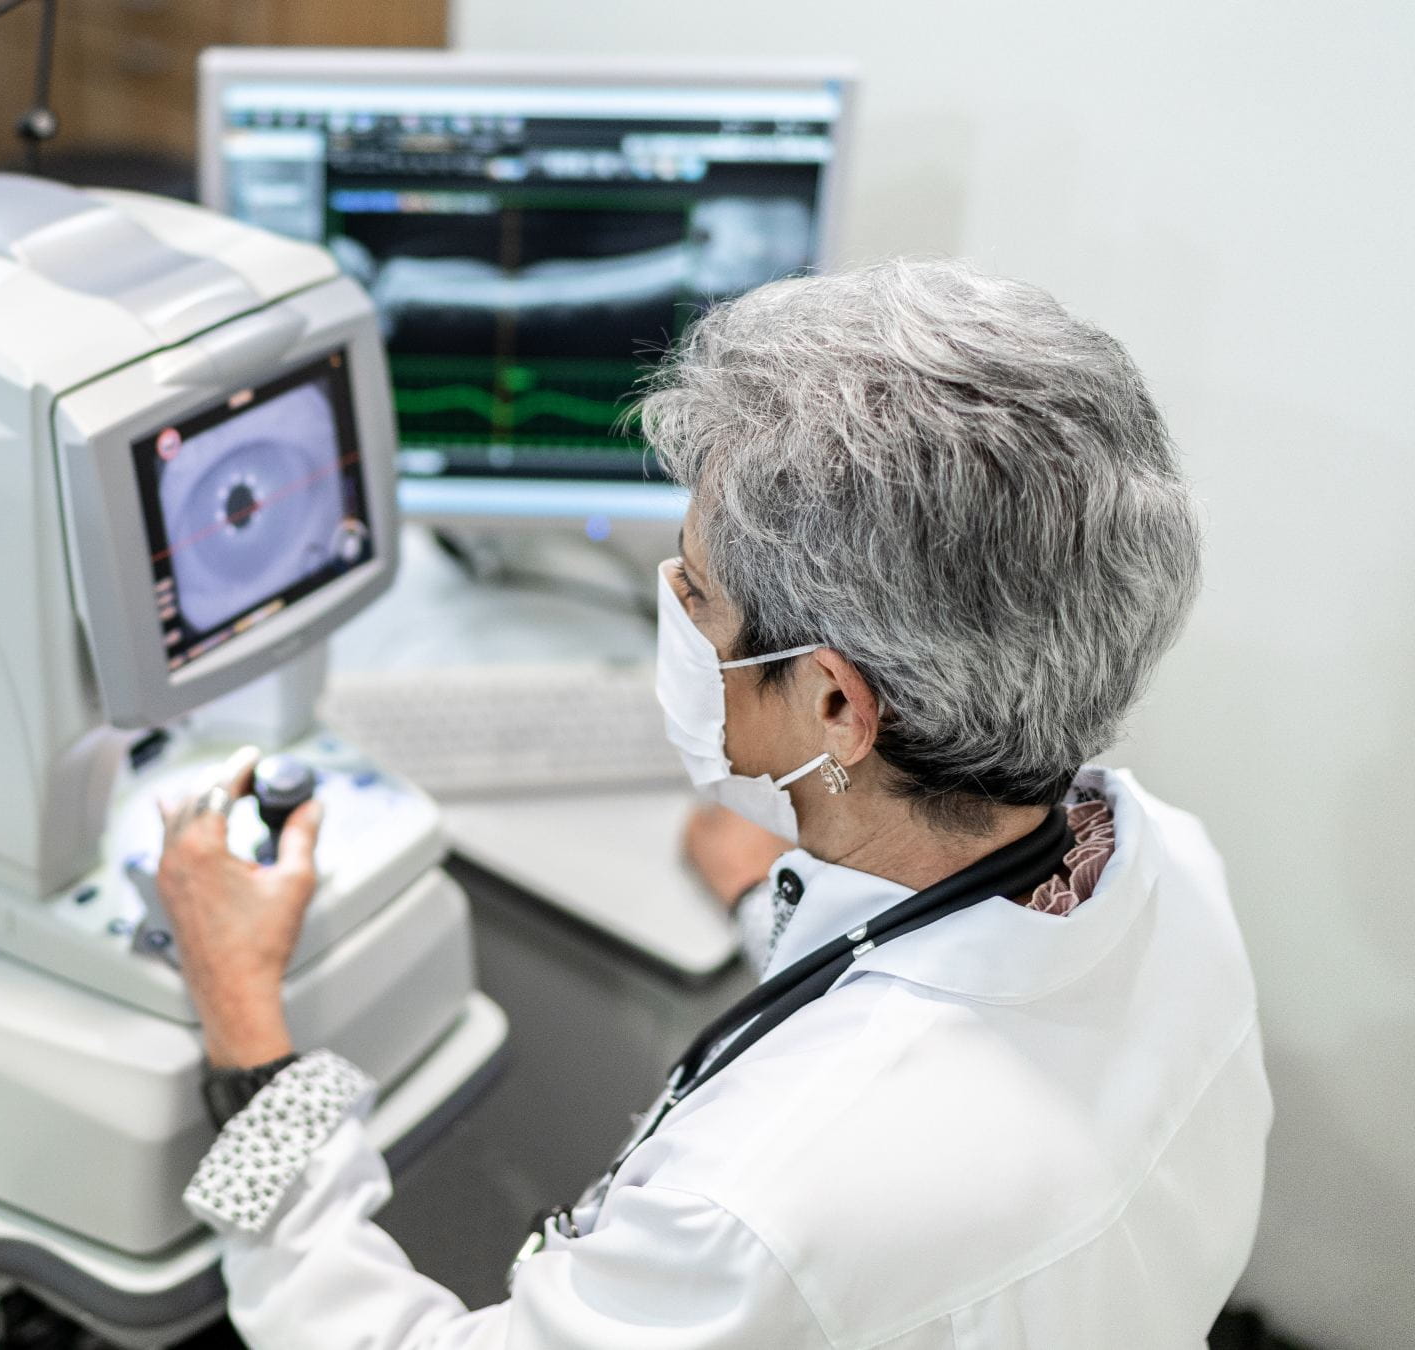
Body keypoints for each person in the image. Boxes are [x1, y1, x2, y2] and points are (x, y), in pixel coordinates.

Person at [155, 259, 1272, 1346]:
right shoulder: (1171, 867)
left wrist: (248, 1035)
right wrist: (781, 895)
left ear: (837, 706)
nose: (677, 612)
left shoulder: (754, 1207)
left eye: (694, 589)